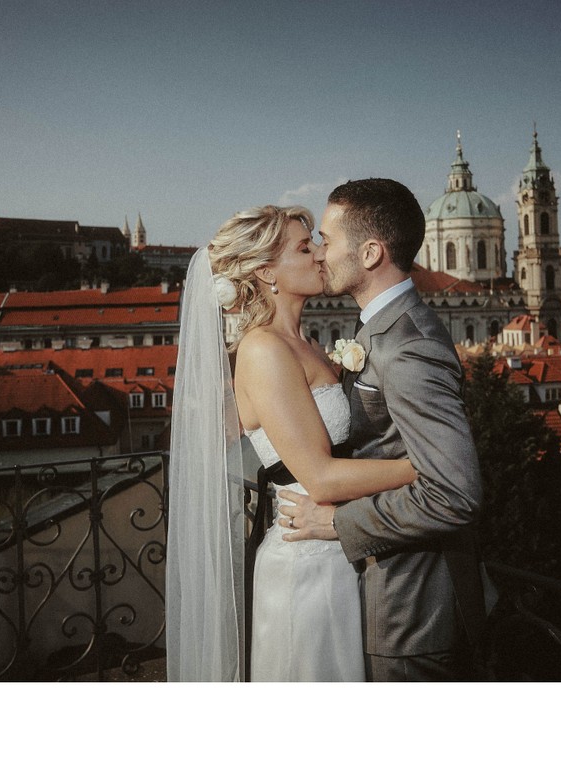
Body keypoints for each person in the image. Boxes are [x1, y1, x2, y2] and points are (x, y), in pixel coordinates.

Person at [165, 204, 414, 682]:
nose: (321, 255)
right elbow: (319, 476)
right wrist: (422, 470)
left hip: (338, 545)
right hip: (307, 563)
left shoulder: (308, 343)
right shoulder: (263, 349)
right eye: (305, 247)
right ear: (266, 273)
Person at [279, 178, 486, 682]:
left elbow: (455, 493)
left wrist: (338, 523)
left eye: (328, 240)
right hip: (385, 601)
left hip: (410, 612)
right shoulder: (380, 327)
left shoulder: (408, 343)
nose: (320, 254)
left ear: (371, 253)